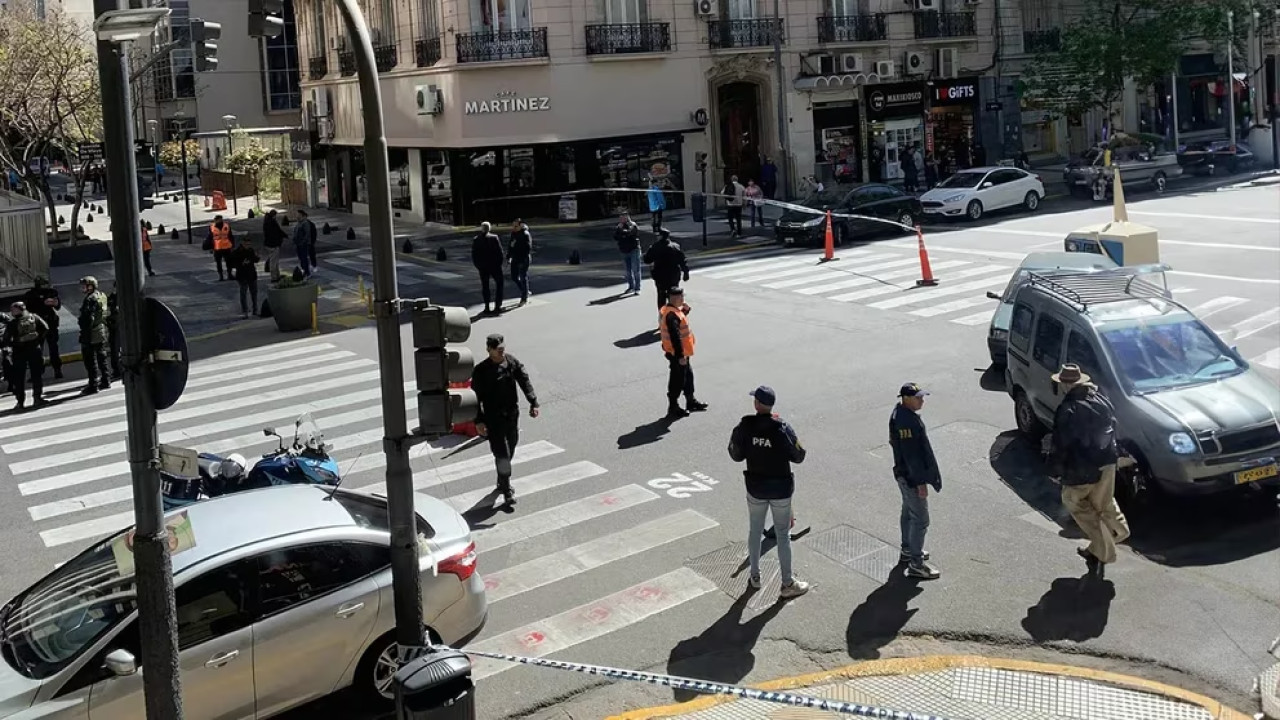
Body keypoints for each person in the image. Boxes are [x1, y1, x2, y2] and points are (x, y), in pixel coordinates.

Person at [1048, 363, 1130, 579]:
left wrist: (1055, 470)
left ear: (1065, 385)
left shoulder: (1068, 409)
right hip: (1107, 461)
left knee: (1076, 503)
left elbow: (1061, 444)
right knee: (1103, 501)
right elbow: (1114, 426)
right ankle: (1119, 529)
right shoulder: (1100, 399)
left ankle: (1104, 549)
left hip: (1083, 468)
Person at [728, 385, 810, 599]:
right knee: (783, 535)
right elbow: (799, 455)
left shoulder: (745, 426)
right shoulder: (782, 427)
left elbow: (735, 454)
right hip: (781, 489)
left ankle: (754, 576)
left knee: (755, 531)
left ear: (756, 404)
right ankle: (787, 583)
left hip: (756, 488)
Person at [471, 333, 540, 507]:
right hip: (493, 419)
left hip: (512, 415)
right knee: (502, 454)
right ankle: (506, 489)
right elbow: (474, 398)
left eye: (502, 348)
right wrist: (478, 421)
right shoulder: (481, 371)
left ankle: (502, 478)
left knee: (511, 447)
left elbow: (524, 380)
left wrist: (533, 402)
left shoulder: (510, 362)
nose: (501, 351)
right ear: (489, 350)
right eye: (497, 349)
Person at [889, 382, 942, 579]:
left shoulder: (901, 415)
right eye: (918, 397)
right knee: (921, 519)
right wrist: (921, 483)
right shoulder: (907, 422)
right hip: (910, 478)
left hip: (903, 474)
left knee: (908, 513)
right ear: (906, 399)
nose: (922, 400)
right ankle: (916, 564)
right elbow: (912, 457)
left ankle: (908, 549)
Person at [658, 287, 707, 419]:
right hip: (677, 354)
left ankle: (691, 401)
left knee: (688, 377)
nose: (683, 299)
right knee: (677, 380)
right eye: (681, 297)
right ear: (674, 298)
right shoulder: (671, 315)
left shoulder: (673, 311)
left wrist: (685, 311)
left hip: (683, 354)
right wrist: (680, 356)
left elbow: (680, 322)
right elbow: (675, 336)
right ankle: (673, 406)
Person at [2, 302, 49, 410]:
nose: (11, 312)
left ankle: (20, 402)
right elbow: (45, 328)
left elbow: (6, 339)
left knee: (19, 378)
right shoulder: (34, 317)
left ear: (18, 310)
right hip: (34, 350)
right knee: (36, 375)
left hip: (19, 352)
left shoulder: (13, 323)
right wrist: (38, 340)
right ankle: (37, 398)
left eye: (13, 309)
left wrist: (10, 347)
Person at [22, 277, 62, 380]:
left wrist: (54, 302)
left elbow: (58, 306)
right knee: (37, 350)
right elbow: (27, 309)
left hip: (50, 324)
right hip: (38, 326)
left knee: (52, 348)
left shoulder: (51, 292)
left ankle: (57, 369)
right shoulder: (31, 295)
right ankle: (38, 372)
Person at [77, 276, 111, 394]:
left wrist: (84, 330)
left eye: (84, 286)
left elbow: (88, 318)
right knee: (102, 357)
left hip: (91, 333)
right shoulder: (101, 295)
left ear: (91, 286)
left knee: (90, 360)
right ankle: (106, 380)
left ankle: (93, 385)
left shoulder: (90, 299)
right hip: (101, 329)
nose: (82, 288)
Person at [643, 228, 689, 313]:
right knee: (674, 296)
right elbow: (682, 260)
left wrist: (646, 255)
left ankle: (663, 318)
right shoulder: (675, 246)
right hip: (674, 276)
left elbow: (647, 260)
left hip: (660, 276)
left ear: (660, 236)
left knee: (661, 297)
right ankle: (676, 316)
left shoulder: (655, 247)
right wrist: (686, 272)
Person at [471, 221, 506, 315]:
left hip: (483, 267)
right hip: (494, 266)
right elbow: (500, 253)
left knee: (485, 286)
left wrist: (478, 266)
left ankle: (487, 306)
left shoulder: (476, 239)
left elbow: (474, 255)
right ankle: (497, 305)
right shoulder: (494, 238)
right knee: (500, 284)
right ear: (489, 228)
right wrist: (499, 264)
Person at [229, 235, 261, 319]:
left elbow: (255, 259)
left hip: (251, 274)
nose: (248, 246)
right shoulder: (237, 252)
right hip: (242, 275)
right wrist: (241, 264)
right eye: (246, 244)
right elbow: (232, 262)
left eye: (249, 244)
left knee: (254, 293)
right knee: (243, 293)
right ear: (242, 243)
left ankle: (255, 309)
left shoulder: (250, 250)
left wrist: (257, 257)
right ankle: (245, 311)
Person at [614, 213, 642, 295]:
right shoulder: (619, 226)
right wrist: (621, 231)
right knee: (628, 271)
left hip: (634, 249)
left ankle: (637, 287)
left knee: (636, 269)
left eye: (623, 218)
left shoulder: (633, 225)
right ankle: (631, 286)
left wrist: (622, 232)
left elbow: (630, 233)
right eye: (620, 218)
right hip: (624, 250)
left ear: (627, 218)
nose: (621, 220)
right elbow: (615, 237)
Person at [508, 219, 532, 306]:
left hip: (523, 258)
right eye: (513, 226)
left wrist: (522, 259)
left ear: (520, 226)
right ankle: (525, 291)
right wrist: (509, 256)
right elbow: (510, 245)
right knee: (514, 277)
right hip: (515, 258)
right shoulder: (513, 234)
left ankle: (524, 298)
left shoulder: (525, 234)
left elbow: (528, 249)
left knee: (522, 276)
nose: (513, 228)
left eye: (515, 226)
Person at [206, 215, 234, 280]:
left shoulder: (226, 226)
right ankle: (221, 276)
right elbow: (210, 238)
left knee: (229, 262)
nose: (218, 221)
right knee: (218, 262)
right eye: (216, 219)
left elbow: (230, 236)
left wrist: (232, 245)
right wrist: (211, 247)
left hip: (226, 246)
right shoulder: (212, 227)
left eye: (219, 219)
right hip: (217, 247)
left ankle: (229, 274)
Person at [262, 209, 287, 279]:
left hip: (269, 244)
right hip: (273, 244)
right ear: (274, 215)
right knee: (273, 261)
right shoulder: (271, 222)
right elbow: (277, 231)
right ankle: (274, 277)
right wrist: (283, 236)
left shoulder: (267, 221)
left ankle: (277, 275)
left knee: (274, 260)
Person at [292, 209, 318, 276]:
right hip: (298, 244)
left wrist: (303, 241)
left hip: (303, 244)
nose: (296, 216)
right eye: (296, 214)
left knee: (304, 258)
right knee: (301, 258)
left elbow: (307, 234)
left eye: (298, 214)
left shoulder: (305, 223)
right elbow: (296, 232)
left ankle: (307, 272)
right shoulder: (298, 223)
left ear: (302, 215)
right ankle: (304, 270)